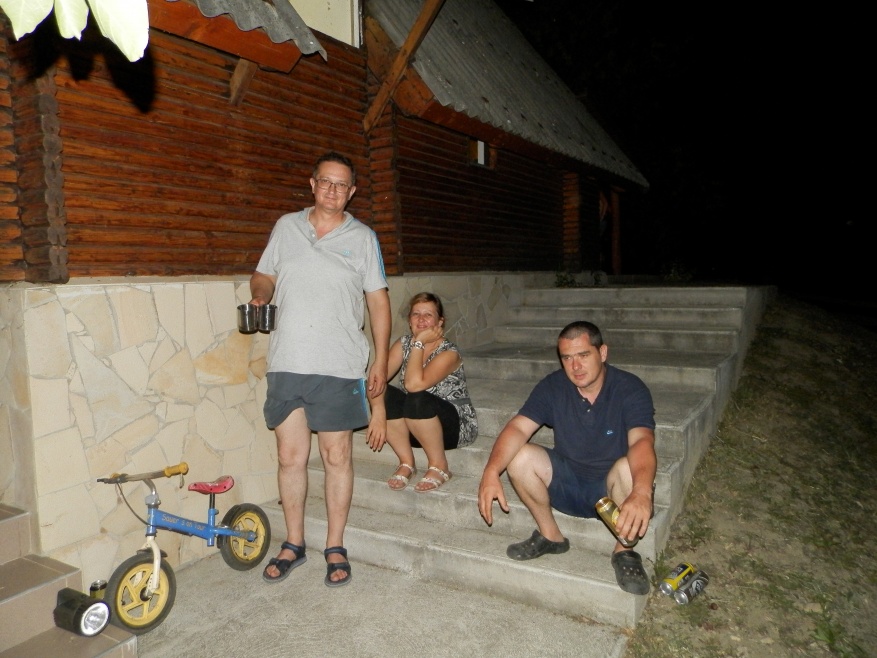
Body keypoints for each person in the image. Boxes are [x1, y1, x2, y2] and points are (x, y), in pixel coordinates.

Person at [249, 151, 391, 588]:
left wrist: (380, 359)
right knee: (290, 458)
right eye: (325, 182)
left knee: (336, 456)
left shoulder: (363, 238)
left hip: (339, 363)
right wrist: (260, 294)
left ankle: (334, 545)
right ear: (312, 184)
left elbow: (378, 301)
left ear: (352, 192)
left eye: (341, 184)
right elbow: (264, 275)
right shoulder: (285, 227)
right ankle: (293, 543)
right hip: (288, 361)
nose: (332, 190)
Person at [477, 320, 656, 595]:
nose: (575, 366)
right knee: (519, 456)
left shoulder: (629, 388)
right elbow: (518, 428)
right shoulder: (553, 386)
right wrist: (491, 471)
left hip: (612, 492)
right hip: (567, 483)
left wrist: (642, 492)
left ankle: (624, 551)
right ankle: (551, 535)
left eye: (583, 355)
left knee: (627, 467)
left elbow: (642, 441)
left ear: (602, 353)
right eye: (567, 358)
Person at [367, 292, 477, 492]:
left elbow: (414, 385)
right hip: (414, 425)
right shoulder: (403, 343)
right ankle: (406, 462)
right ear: (410, 320)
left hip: (452, 428)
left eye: (428, 315)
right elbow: (375, 380)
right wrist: (378, 411)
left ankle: (440, 466)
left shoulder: (449, 352)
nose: (421, 319)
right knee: (386, 392)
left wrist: (419, 343)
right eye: (416, 314)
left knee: (417, 397)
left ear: (440, 321)